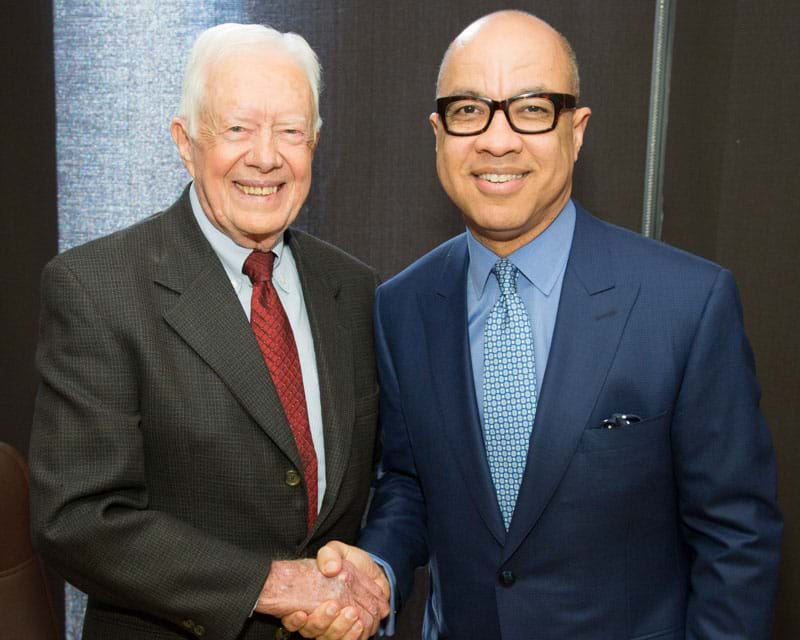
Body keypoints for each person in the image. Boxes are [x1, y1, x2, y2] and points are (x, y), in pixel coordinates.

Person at [285, 10, 782, 640]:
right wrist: (377, 571)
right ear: (438, 134)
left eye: (531, 108)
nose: (497, 140)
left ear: (577, 131)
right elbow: (409, 482)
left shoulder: (686, 303)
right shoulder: (401, 307)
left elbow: (737, 540)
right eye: (469, 111)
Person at [28, 23, 389, 640]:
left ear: (315, 144)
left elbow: (382, 482)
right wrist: (272, 584)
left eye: (291, 131)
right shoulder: (96, 288)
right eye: (238, 128)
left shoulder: (354, 288)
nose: (266, 156)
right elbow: (79, 518)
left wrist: (368, 574)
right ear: (185, 141)